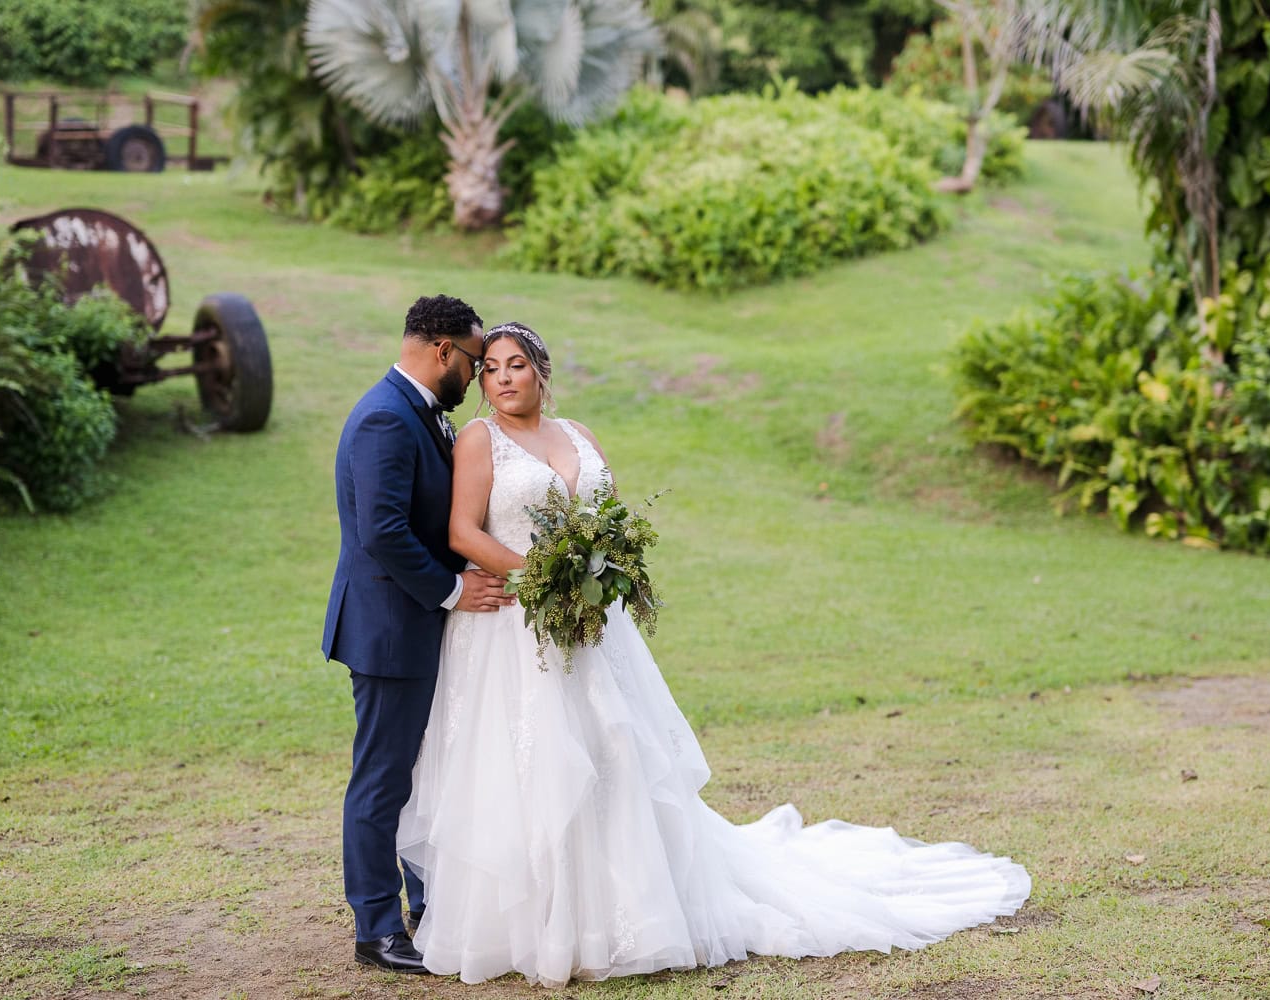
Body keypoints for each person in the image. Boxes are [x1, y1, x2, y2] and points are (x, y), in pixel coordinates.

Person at [394, 322, 1032, 987]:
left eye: (516, 364)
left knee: (616, 751)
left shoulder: (579, 434)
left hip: (596, 627)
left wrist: (602, 569)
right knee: (542, 766)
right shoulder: (479, 440)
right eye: (491, 367)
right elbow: (463, 532)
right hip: (518, 630)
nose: (501, 377)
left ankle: (627, 913)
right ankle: (539, 926)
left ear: (541, 372)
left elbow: (609, 522)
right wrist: (542, 576)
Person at [321, 295, 514, 973]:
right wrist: (456, 589)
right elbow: (383, 534)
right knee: (382, 780)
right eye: (473, 359)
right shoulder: (383, 418)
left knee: (424, 772)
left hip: (416, 627)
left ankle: (431, 905)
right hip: (388, 630)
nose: (477, 374)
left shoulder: (418, 413)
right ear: (442, 352)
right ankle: (376, 929)